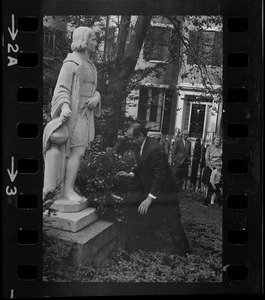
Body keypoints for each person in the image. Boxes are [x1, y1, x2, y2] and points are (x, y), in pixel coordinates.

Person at [43, 26, 101, 203]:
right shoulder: (70, 64)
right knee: (76, 151)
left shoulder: (91, 65)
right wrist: (65, 106)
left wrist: (97, 97)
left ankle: (68, 187)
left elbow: (94, 89)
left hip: (86, 114)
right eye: (93, 39)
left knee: (79, 152)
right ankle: (66, 190)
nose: (96, 42)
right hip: (74, 114)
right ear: (84, 40)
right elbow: (61, 89)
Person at [116, 123, 190, 257]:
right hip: (155, 189)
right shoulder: (139, 146)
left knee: (172, 221)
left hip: (166, 191)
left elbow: (159, 175)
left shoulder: (155, 149)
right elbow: (142, 165)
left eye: (132, 138)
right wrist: (131, 174)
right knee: (148, 216)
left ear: (140, 136)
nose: (131, 141)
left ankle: (183, 253)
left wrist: (149, 198)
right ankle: (147, 246)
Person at [203, 135, 223, 206]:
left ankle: (212, 201)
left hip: (218, 168)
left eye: (219, 140)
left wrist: (219, 168)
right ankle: (207, 200)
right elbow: (207, 159)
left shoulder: (221, 149)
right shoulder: (209, 148)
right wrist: (212, 169)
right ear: (213, 140)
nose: (217, 141)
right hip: (210, 168)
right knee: (210, 184)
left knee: (217, 184)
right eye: (216, 140)